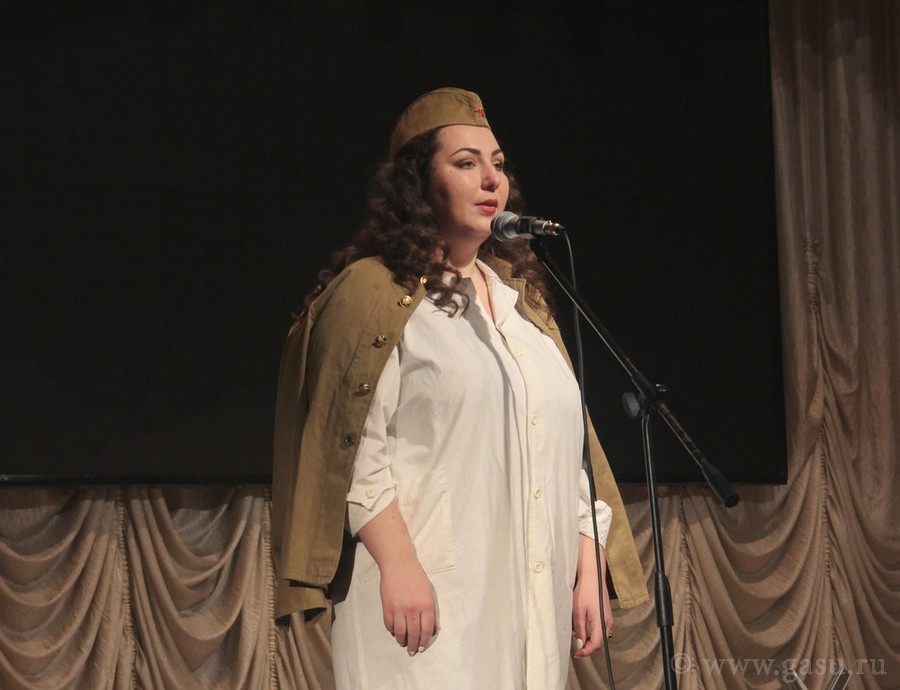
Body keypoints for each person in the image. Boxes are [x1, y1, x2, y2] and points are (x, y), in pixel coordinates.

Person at [271, 87, 648, 689]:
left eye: (497, 163)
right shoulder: (374, 293)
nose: (491, 179)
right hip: (423, 596)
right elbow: (352, 445)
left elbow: (566, 446)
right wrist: (398, 563)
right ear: (419, 184)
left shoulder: (521, 306)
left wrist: (588, 562)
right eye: (466, 163)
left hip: (529, 594)